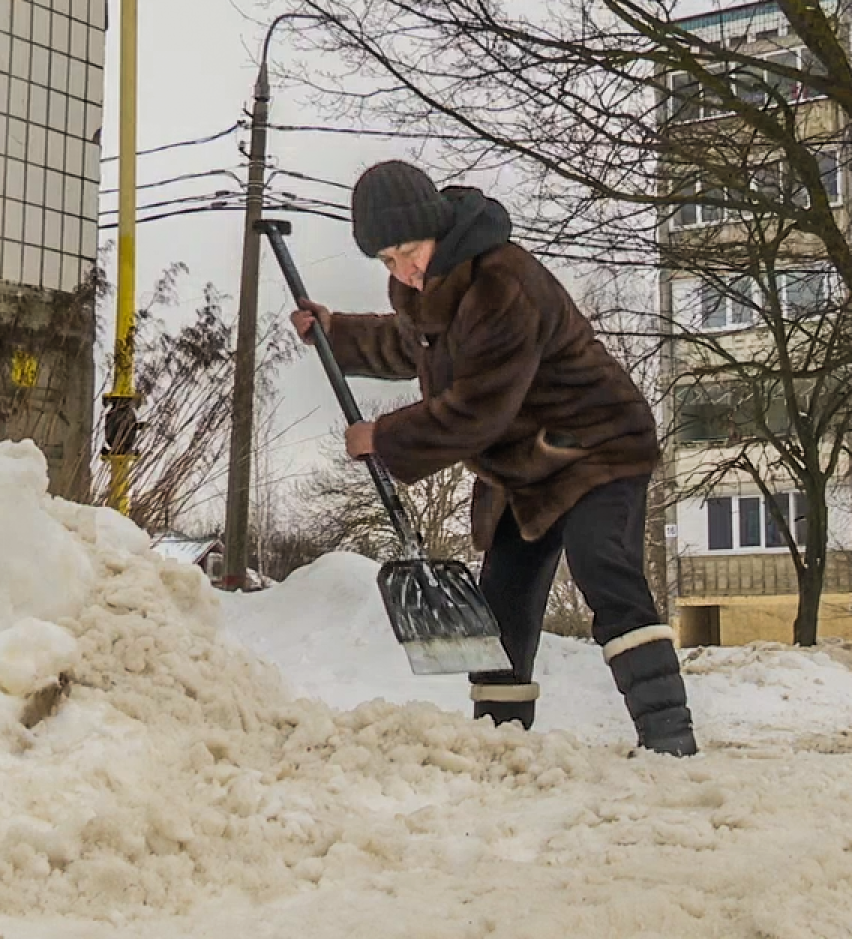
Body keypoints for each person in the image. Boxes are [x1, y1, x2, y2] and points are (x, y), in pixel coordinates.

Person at [290, 160, 698, 757]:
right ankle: (500, 744)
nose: (404, 270)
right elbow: (413, 346)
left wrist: (386, 436)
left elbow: (479, 408)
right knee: (503, 599)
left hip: (596, 446)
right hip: (523, 471)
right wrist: (335, 331)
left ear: (436, 228)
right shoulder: (428, 289)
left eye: (409, 251)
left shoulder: (503, 281)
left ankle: (669, 737)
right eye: (387, 261)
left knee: (602, 569)